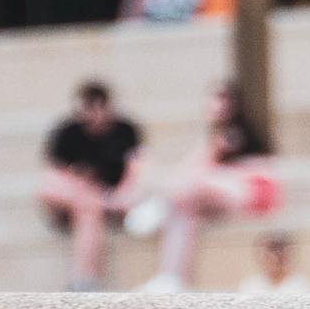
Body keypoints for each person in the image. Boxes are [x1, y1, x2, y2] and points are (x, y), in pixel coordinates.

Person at [137, 81, 280, 292]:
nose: (214, 105)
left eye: (220, 100)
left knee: (192, 186)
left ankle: (161, 206)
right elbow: (187, 169)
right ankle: (171, 276)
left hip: (251, 190)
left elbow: (201, 166)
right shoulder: (216, 135)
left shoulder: (234, 135)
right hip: (227, 189)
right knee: (186, 211)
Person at [38, 80, 144, 291]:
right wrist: (85, 189)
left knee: (89, 208)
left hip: (106, 202)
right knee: (81, 198)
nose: (96, 116)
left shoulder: (125, 131)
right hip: (74, 201)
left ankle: (83, 281)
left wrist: (119, 196)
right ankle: (84, 281)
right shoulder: (68, 132)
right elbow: (52, 177)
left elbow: (138, 167)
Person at [238, 231, 310, 296]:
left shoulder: (302, 286)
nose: (275, 256)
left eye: (280, 250)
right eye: (270, 250)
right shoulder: (249, 286)